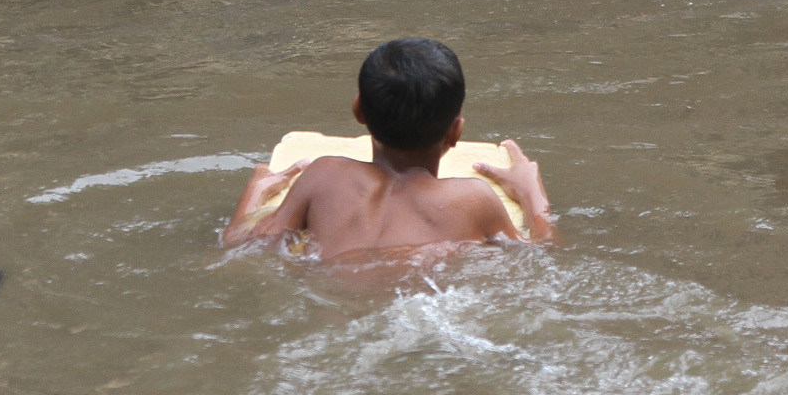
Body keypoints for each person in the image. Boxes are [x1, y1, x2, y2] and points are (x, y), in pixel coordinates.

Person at [222, 38, 555, 259]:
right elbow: (544, 253)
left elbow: (240, 244)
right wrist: (531, 193)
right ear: (456, 131)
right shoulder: (472, 200)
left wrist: (255, 192)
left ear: (358, 111)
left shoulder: (322, 177)